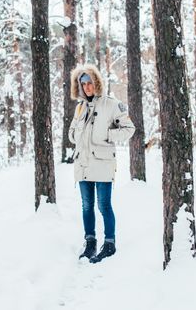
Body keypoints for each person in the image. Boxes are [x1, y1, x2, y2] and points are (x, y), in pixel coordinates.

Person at [68, 64, 135, 263]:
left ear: (96, 82)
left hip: (103, 162)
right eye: (83, 84)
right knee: (86, 205)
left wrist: (107, 134)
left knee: (104, 205)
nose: (86, 87)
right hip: (83, 163)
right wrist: (75, 136)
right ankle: (90, 243)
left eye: (89, 83)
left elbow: (129, 128)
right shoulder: (80, 107)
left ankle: (109, 243)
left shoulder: (111, 104)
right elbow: (72, 131)